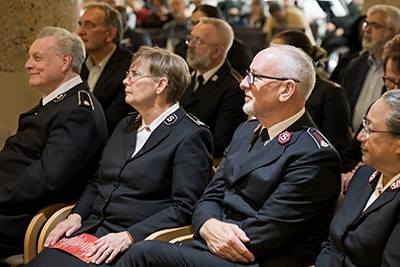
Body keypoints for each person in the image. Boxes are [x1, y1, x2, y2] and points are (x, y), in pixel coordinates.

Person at [114, 44, 342, 267]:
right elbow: (210, 195)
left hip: (256, 257)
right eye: (247, 75)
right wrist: (207, 224)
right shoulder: (245, 131)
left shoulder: (314, 155)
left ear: (286, 90)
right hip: (212, 242)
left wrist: (210, 232)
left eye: (255, 77)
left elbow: (269, 233)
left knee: (143, 255)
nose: (243, 84)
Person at [25, 46, 213, 267]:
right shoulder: (127, 124)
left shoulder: (191, 134)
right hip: (92, 232)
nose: (126, 81)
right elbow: (98, 181)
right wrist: (76, 215)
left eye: (135, 75)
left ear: (160, 85)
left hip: (133, 244)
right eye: (127, 74)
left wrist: (130, 236)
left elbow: (184, 207)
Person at [0, 26, 108, 258]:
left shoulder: (77, 112)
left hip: (23, 217)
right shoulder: (60, 104)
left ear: (65, 61)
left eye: (37, 58)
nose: (28, 64)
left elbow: (47, 181)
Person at [315, 89, 400, 266]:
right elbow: (332, 243)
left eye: (369, 129)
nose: (360, 136)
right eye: (363, 125)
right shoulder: (365, 173)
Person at [271, 30, 351, 156]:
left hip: (311, 161)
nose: (270, 59)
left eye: (276, 54)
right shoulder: (275, 88)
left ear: (299, 56)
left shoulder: (331, 93)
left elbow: (333, 145)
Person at [180, 17, 247, 163]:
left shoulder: (233, 88)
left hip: (196, 162)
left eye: (198, 41)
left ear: (217, 51)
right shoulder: (186, 76)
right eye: (190, 38)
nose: (190, 45)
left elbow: (219, 143)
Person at [341, 34, 400, 193]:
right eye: (389, 82)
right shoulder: (381, 106)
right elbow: (349, 156)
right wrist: (360, 171)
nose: (394, 91)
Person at [337, 4, 400, 131]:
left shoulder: (395, 70)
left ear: (393, 32)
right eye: (366, 24)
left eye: (375, 26)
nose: (367, 30)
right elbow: (341, 107)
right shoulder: (354, 65)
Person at [78, 2, 135, 135]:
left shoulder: (129, 67)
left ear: (110, 34)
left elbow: (114, 121)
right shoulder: (78, 62)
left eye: (89, 25)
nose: (80, 31)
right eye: (80, 24)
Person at [174, 4, 253, 77]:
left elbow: (239, 81)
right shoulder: (184, 46)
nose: (195, 28)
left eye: (200, 23)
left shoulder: (239, 51)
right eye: (192, 23)